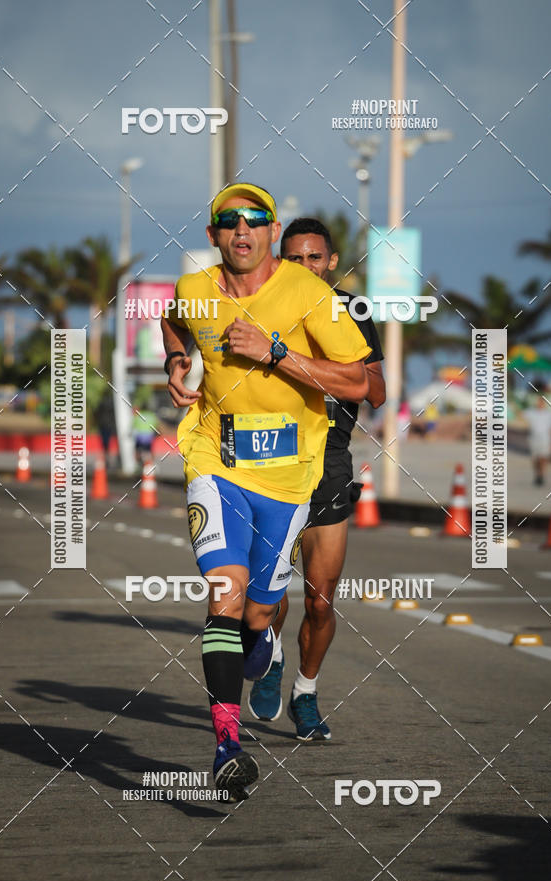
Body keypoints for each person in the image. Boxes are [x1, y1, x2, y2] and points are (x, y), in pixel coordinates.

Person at [161, 185, 371, 801]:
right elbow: (176, 323)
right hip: (213, 460)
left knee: (257, 616)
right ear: (213, 235)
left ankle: (264, 644)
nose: (242, 230)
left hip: (289, 477)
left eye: (254, 220)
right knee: (223, 595)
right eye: (229, 221)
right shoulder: (195, 291)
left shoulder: (311, 294)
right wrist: (177, 362)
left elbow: (358, 381)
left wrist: (276, 352)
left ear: (272, 230)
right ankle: (226, 748)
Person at [248, 217, 385, 740]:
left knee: (322, 597)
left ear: (330, 263)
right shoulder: (261, 305)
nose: (305, 267)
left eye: (315, 258)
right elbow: (184, 319)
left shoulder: (352, 312)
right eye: (294, 258)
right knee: (269, 590)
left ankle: (306, 694)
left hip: (329, 459)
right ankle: (274, 654)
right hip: (273, 455)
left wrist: (306, 361)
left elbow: (374, 392)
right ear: (281, 261)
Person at [523, 391, 551, 486]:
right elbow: (520, 417)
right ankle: (537, 474)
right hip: (534, 438)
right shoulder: (531, 412)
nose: (540, 404)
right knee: (535, 458)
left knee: (543, 458)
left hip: (545, 439)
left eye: (542, 402)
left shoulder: (549, 414)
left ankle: (541, 475)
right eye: (539, 402)